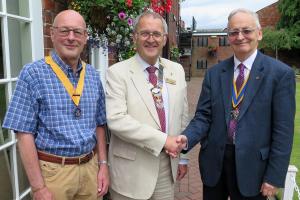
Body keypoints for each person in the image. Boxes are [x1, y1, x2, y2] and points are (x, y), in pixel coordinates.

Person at [180, 8, 296, 200]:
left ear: (259, 33)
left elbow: (283, 131)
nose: (240, 36)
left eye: (246, 31)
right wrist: (186, 138)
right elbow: (203, 116)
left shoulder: (280, 74)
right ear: (228, 36)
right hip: (215, 163)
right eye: (234, 32)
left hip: (254, 168)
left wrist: (274, 177)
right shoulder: (214, 74)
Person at [2, 10, 109, 200]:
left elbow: (100, 124)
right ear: (52, 34)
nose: (71, 37)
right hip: (53, 174)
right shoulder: (33, 74)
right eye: (64, 31)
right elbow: (23, 132)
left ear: (85, 37)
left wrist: (103, 165)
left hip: (90, 169)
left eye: (77, 32)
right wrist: (38, 187)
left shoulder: (93, 75)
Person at [106, 10, 189, 200]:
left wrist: (183, 156)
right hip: (131, 172)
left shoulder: (176, 70)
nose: (151, 39)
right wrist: (163, 140)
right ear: (135, 37)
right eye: (144, 33)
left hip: (167, 167)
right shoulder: (117, 73)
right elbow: (116, 120)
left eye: (156, 34)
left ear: (165, 39)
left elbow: (182, 115)